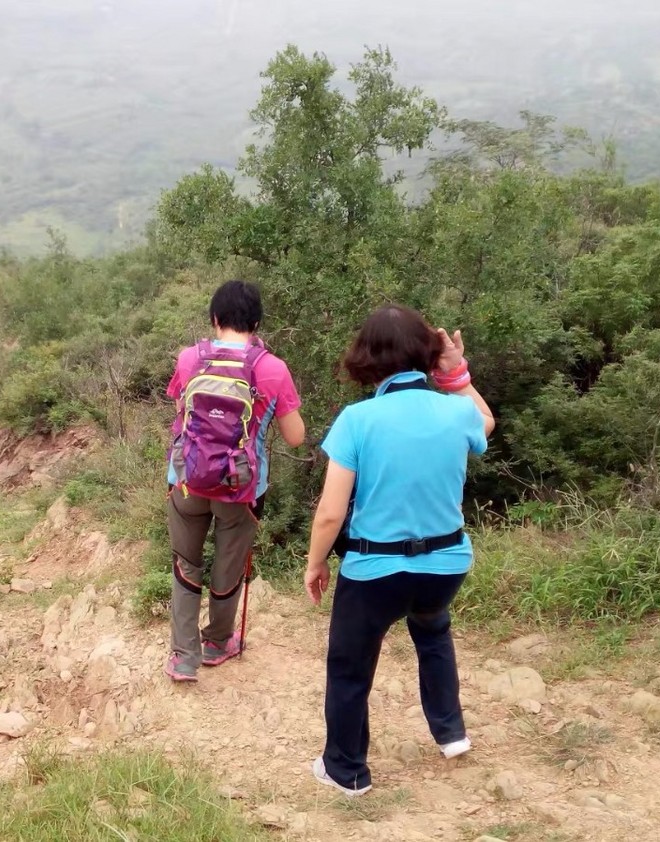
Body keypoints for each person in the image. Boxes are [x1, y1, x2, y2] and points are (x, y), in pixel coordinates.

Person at [302, 304, 495, 796]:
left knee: (350, 665)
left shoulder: (357, 419)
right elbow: (486, 424)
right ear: (425, 354)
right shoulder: (456, 411)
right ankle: (451, 735)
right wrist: (456, 374)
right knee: (432, 630)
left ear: (367, 358)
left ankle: (346, 771)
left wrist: (316, 561)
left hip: (376, 572)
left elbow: (329, 512)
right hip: (447, 564)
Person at [164, 280, 306, 682]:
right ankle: (217, 642)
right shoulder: (272, 368)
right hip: (241, 488)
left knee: (186, 563)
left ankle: (183, 657)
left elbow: (180, 411)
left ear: (214, 319)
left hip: (186, 481)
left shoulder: (190, 358)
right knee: (228, 565)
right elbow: (296, 437)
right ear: (258, 322)